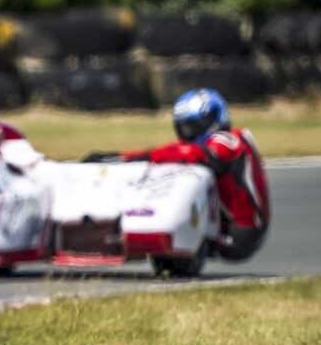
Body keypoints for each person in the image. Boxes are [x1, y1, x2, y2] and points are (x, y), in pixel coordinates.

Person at [84, 88, 270, 260]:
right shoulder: (217, 142)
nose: (186, 133)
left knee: (190, 172)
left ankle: (153, 228)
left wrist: (131, 158)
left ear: (212, 118)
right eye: (182, 126)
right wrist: (118, 158)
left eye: (192, 125)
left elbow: (195, 154)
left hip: (240, 232)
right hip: (225, 228)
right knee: (175, 165)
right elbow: (180, 152)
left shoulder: (230, 139)